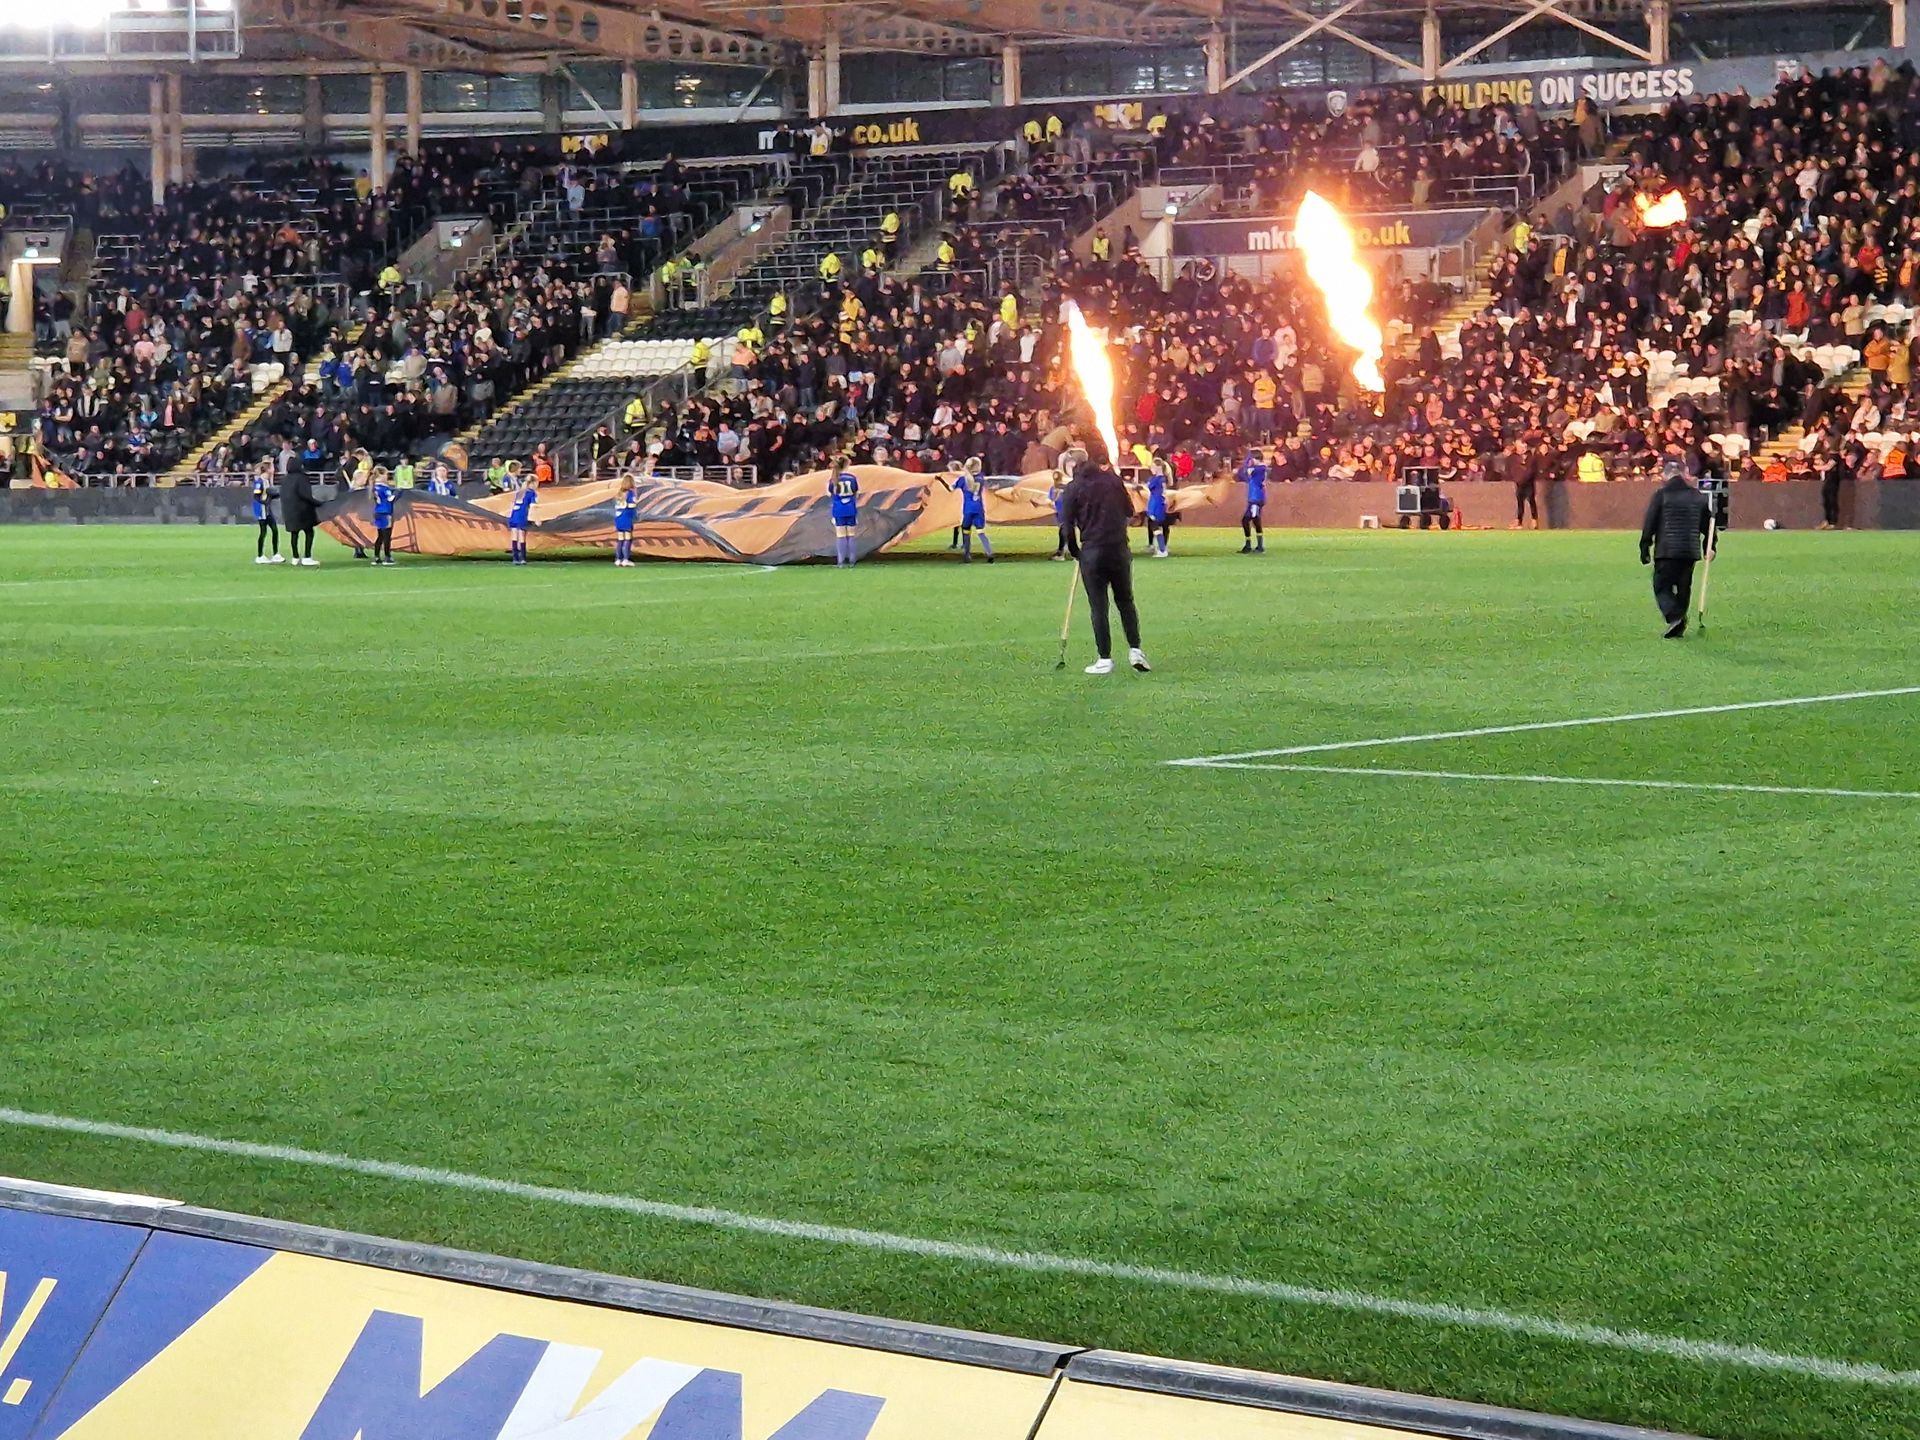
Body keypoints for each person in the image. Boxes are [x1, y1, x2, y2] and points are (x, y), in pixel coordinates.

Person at [1061, 456, 1150, 675]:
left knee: (1099, 606)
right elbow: (1130, 511)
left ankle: (1104, 658)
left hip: (1092, 551)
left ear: (1072, 467)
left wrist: (1075, 552)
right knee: (1125, 601)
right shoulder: (1113, 480)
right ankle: (1135, 650)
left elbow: (1067, 526)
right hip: (1118, 548)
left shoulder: (1073, 488)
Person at [1639, 460, 1714, 638]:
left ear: (1665, 475)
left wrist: (1645, 547)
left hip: (1667, 550)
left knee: (1662, 586)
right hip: (1689, 550)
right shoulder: (1698, 496)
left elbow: (1650, 523)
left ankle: (1675, 617)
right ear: (1683, 474)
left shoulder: (1661, 495)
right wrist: (1710, 547)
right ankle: (1679, 621)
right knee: (1683, 587)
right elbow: (1708, 525)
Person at [953, 458, 992, 563]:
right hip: (979, 509)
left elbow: (951, 487)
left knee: (966, 531)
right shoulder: (981, 478)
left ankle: (966, 555)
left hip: (968, 509)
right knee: (981, 532)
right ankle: (989, 554)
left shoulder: (962, 479)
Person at [283, 466, 320, 566]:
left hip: (289, 511)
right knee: (309, 532)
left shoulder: (285, 479)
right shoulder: (302, 478)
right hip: (303, 511)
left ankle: (295, 557)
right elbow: (306, 495)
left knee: (294, 534)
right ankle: (307, 557)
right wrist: (318, 503)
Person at [250, 461, 283, 565]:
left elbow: (268, 494)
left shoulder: (266, 481)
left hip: (267, 509)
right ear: (267, 470)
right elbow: (256, 496)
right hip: (262, 510)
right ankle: (260, 555)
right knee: (263, 532)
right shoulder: (260, 482)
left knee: (274, 530)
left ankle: (275, 554)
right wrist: (264, 502)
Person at [828, 464, 859, 568]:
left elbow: (830, 493)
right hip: (850, 508)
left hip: (838, 510)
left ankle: (840, 561)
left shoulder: (833, 479)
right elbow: (856, 492)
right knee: (851, 535)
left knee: (840, 535)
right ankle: (852, 560)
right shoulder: (852, 478)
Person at [1238, 448, 1267, 554]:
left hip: (1256, 499)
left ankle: (1256, 545)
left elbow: (1246, 472)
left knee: (1252, 519)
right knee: (1250, 520)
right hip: (1253, 498)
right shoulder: (1257, 469)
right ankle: (1253, 545)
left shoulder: (1260, 468)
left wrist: (1246, 464)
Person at [1144, 460, 1171, 558]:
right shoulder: (1163, 479)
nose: (1151, 468)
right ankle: (1161, 548)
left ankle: (1162, 550)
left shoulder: (1155, 479)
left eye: (1152, 466)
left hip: (1155, 504)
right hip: (1159, 503)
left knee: (1155, 526)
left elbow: (1147, 487)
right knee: (1155, 526)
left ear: (1157, 467)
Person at [370, 468, 397, 566]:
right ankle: (387, 557)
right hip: (386, 512)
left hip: (378, 512)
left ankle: (377, 557)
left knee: (380, 536)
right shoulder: (385, 488)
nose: (387, 476)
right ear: (381, 476)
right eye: (386, 474)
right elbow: (390, 499)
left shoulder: (374, 487)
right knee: (387, 536)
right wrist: (398, 493)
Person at [508, 478, 537, 565]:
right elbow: (533, 506)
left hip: (514, 515)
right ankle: (523, 558)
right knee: (522, 536)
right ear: (532, 483)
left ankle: (515, 558)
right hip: (522, 515)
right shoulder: (531, 493)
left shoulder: (519, 493)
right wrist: (536, 518)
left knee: (514, 536)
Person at [613, 475, 638, 566]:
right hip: (626, 516)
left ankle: (618, 559)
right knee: (628, 538)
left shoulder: (619, 493)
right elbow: (631, 505)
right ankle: (626, 559)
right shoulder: (630, 493)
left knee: (620, 539)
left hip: (618, 517)